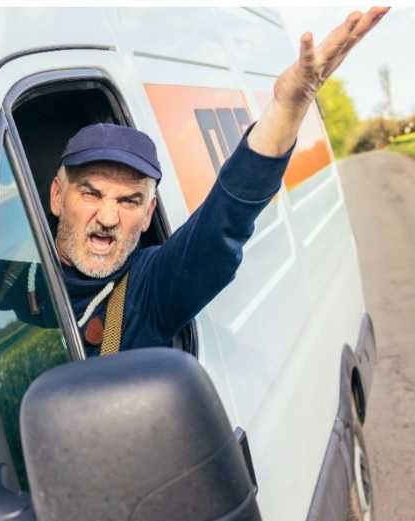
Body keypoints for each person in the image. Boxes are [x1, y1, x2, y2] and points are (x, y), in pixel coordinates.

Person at [35, 8, 390, 357]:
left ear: (148, 215)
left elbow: (222, 224)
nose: (108, 217)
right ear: (56, 196)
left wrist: (287, 108)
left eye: (129, 201)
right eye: (91, 193)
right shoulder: (26, 281)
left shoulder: (148, 289)